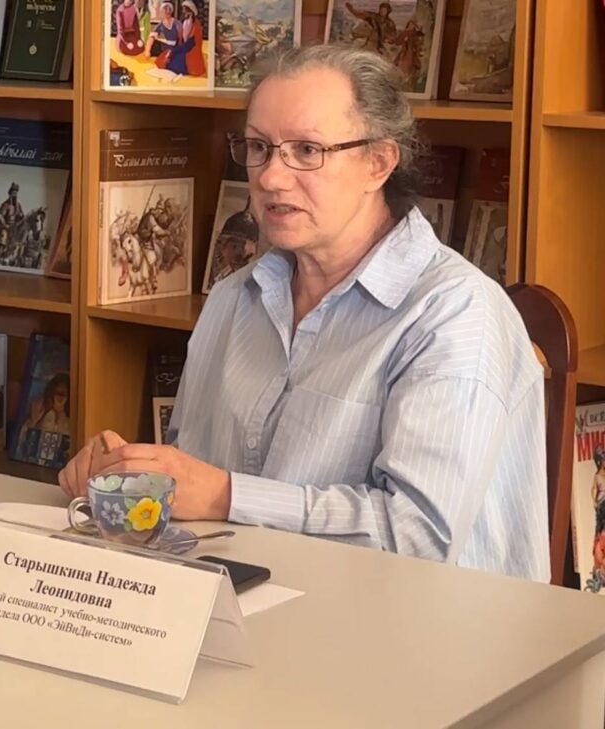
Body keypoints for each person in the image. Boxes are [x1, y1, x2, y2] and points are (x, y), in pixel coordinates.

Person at [60, 45, 549, 581]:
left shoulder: (456, 314)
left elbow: (418, 537)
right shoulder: (232, 298)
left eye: (307, 150)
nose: (271, 177)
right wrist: (131, 475)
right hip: (247, 600)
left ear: (379, 163)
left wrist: (225, 494)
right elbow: (190, 479)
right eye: (258, 147)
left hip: (423, 622)